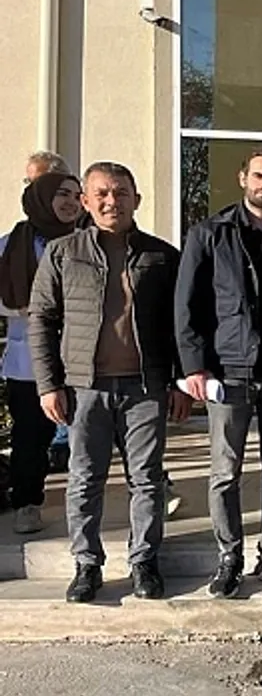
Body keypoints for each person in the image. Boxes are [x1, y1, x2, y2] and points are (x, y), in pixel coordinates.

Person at [27, 161, 191, 603]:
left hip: (145, 387)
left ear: (137, 200)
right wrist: (48, 385)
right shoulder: (63, 253)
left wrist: (178, 381)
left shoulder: (161, 256)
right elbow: (41, 319)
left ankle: (144, 561)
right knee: (84, 479)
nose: (111, 201)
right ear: (85, 201)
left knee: (148, 479)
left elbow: (180, 324)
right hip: (85, 388)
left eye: (120, 193)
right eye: (101, 193)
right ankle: (86, 564)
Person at [176, 149, 262, 597]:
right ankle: (229, 556)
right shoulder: (210, 234)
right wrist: (193, 365)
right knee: (225, 470)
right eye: (259, 176)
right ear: (243, 178)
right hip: (228, 371)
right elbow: (187, 304)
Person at [0, 170, 81, 532]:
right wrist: (20, 308)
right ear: (41, 197)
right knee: (30, 437)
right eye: (62, 194)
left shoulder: (86, 240)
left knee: (106, 429)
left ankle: (150, 492)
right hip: (29, 361)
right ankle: (27, 503)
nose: (71, 202)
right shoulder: (9, 246)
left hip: (81, 355)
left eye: (77, 196)